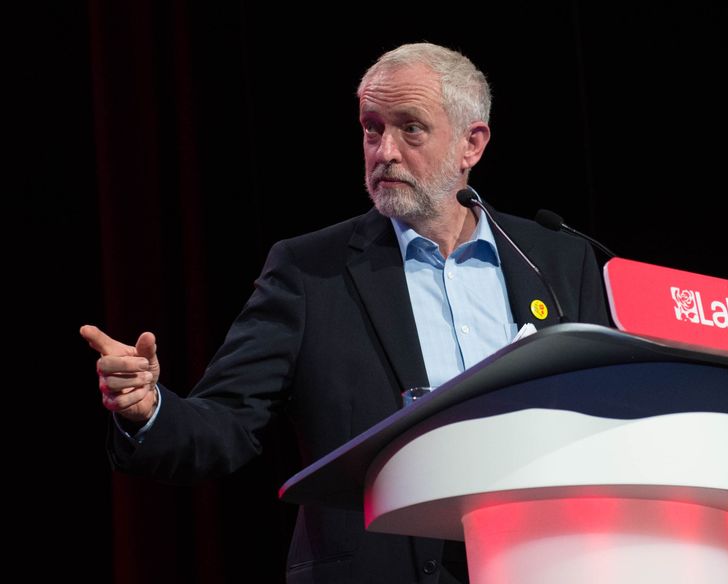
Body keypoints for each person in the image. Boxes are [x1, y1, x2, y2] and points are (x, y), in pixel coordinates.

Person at [81, 42, 609, 584]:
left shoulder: (556, 259)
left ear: (471, 144)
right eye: (372, 128)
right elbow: (226, 423)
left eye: (411, 129)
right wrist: (147, 411)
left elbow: (608, 418)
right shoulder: (312, 272)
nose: (384, 152)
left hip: (546, 560)